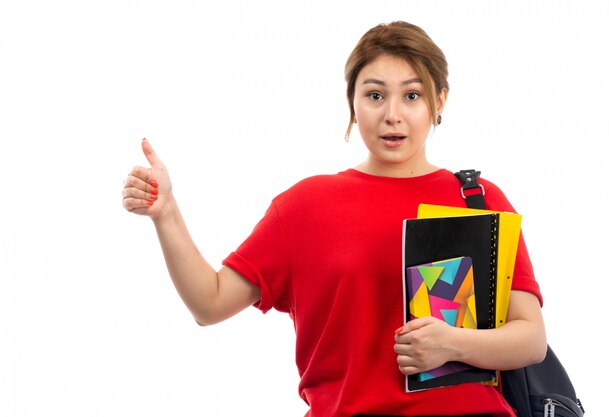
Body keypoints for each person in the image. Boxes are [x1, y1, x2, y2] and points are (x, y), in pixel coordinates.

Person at [122, 21, 546, 417]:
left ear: (440, 101)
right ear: (353, 103)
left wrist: (453, 343)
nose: (392, 114)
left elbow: (530, 339)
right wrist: (167, 213)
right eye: (375, 95)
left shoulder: (477, 198)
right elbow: (209, 303)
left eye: (412, 95)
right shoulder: (305, 205)